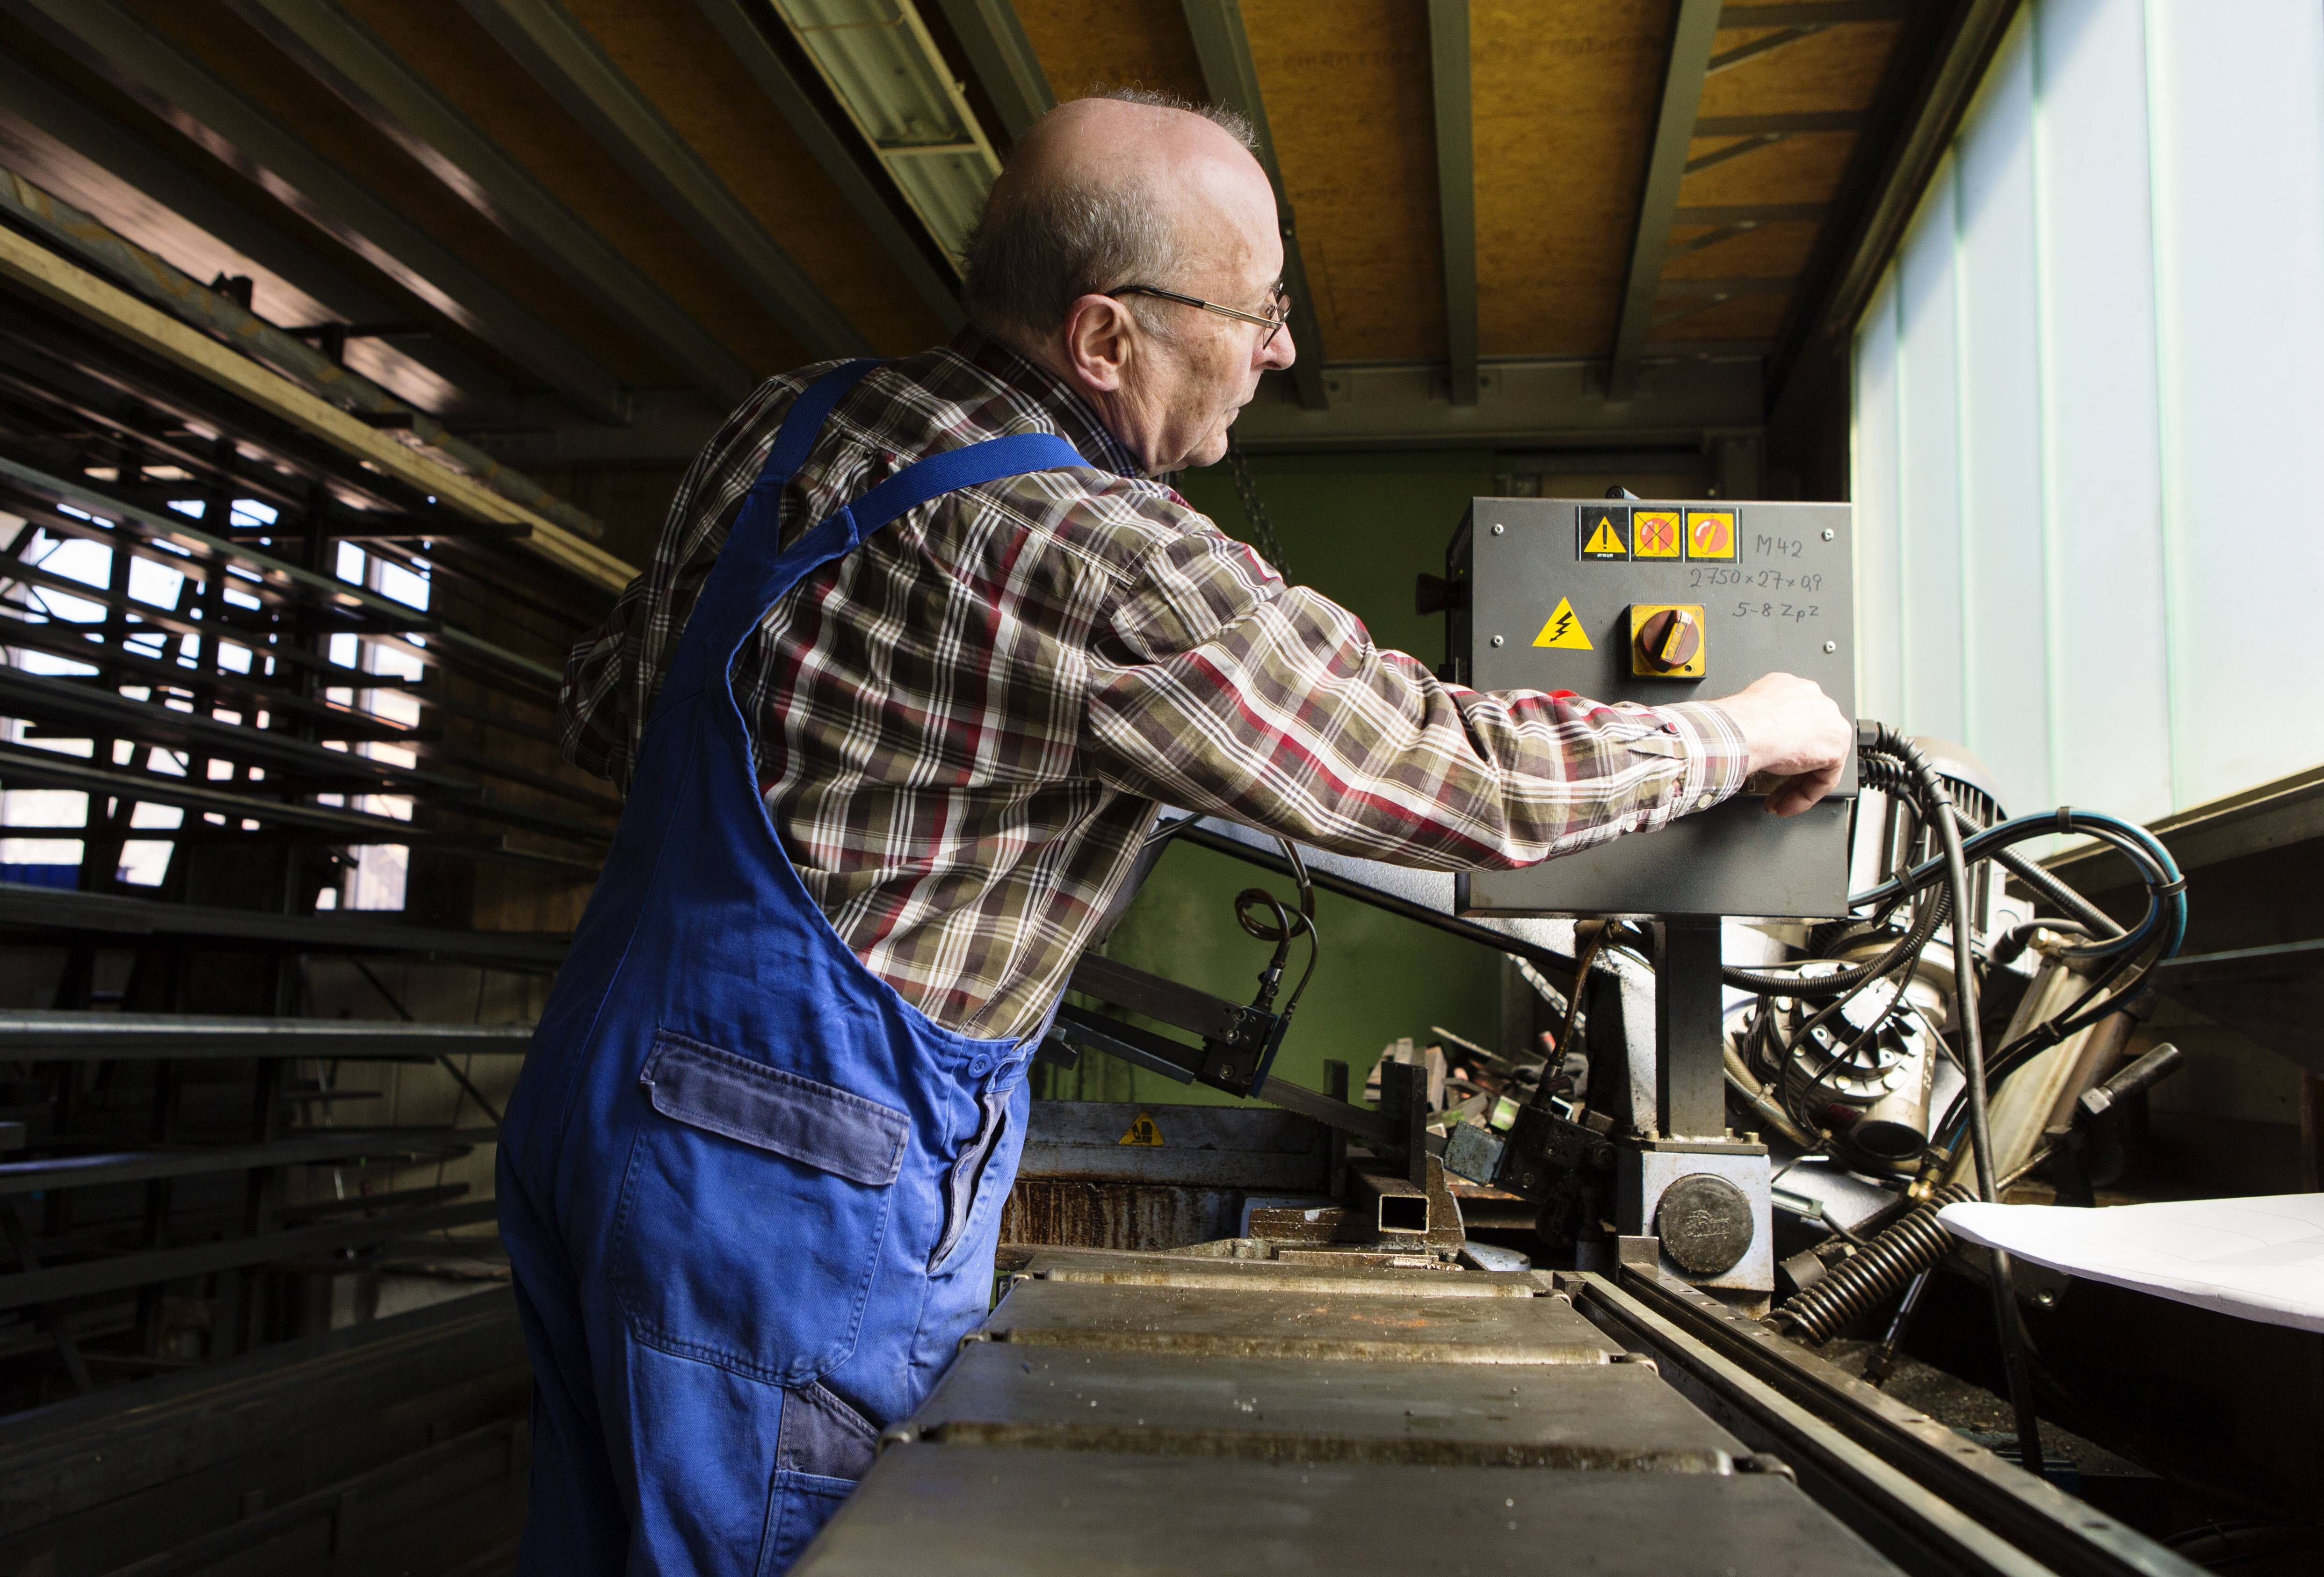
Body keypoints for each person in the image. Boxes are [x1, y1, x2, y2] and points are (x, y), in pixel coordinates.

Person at [497, 88, 1852, 1577]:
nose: (1280, 349)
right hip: (787, 1183)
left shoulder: (786, 419)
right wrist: (1745, 730)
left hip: (588, 1098)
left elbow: (606, 704)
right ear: (1103, 338)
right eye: (1258, 309)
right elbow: (1459, 777)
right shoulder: (1093, 553)